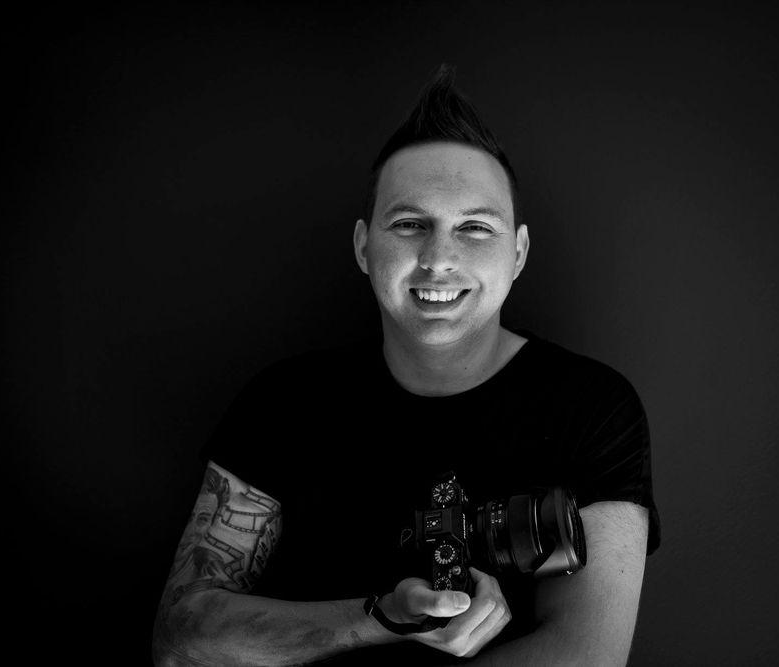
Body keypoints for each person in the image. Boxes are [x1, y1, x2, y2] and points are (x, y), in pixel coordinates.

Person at [152, 63, 660, 666]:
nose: (438, 258)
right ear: (364, 246)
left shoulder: (591, 407)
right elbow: (180, 637)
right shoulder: (283, 401)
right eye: (411, 224)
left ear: (519, 253)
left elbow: (585, 659)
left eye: (475, 227)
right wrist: (380, 618)